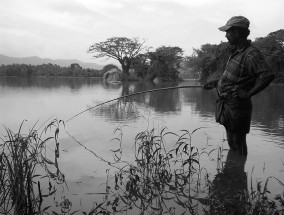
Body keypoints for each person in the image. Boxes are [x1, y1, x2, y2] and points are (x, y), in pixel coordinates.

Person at [204, 16, 275, 155]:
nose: (226, 36)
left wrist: (248, 94)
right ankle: (234, 171)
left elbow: (267, 75)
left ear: (236, 32)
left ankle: (239, 173)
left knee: (238, 141)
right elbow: (236, 78)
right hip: (228, 103)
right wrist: (216, 83)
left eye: (228, 32)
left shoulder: (251, 54)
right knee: (231, 141)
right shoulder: (236, 52)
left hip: (238, 105)